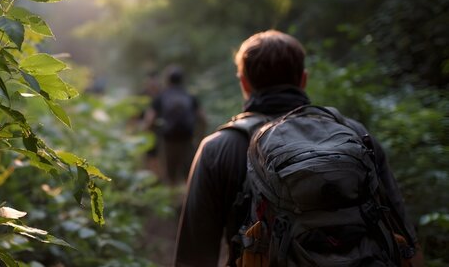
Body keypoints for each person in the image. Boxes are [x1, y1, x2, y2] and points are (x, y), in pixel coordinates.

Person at [173, 30, 423, 266]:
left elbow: (194, 256)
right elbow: (405, 239)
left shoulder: (218, 149)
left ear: (244, 83)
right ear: (303, 79)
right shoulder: (357, 136)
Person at [143, 65, 206, 185]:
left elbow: (149, 121)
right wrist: (199, 138)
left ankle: (173, 200)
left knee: (170, 176)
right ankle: (187, 201)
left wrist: (149, 137)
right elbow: (203, 119)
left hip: (168, 141)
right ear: (182, 80)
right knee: (189, 175)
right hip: (187, 139)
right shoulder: (190, 96)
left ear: (167, 80)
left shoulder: (161, 97)